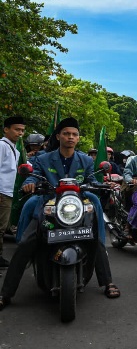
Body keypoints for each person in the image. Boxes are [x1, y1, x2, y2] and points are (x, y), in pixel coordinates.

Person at [0, 117, 120, 310]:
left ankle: (107, 282)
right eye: (66, 134)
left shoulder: (86, 160)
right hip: (48, 205)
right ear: (59, 136)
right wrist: (29, 184)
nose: (70, 137)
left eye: (74, 134)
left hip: (77, 205)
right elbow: (32, 175)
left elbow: (92, 179)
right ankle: (5, 293)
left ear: (78, 138)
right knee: (25, 244)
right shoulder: (42, 158)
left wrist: (105, 185)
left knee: (94, 237)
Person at [0, 116, 26, 268]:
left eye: (22, 130)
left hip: (8, 192)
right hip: (2, 192)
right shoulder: (2, 146)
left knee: (2, 227)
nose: (20, 133)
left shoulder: (14, 148)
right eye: (17, 129)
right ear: (6, 129)